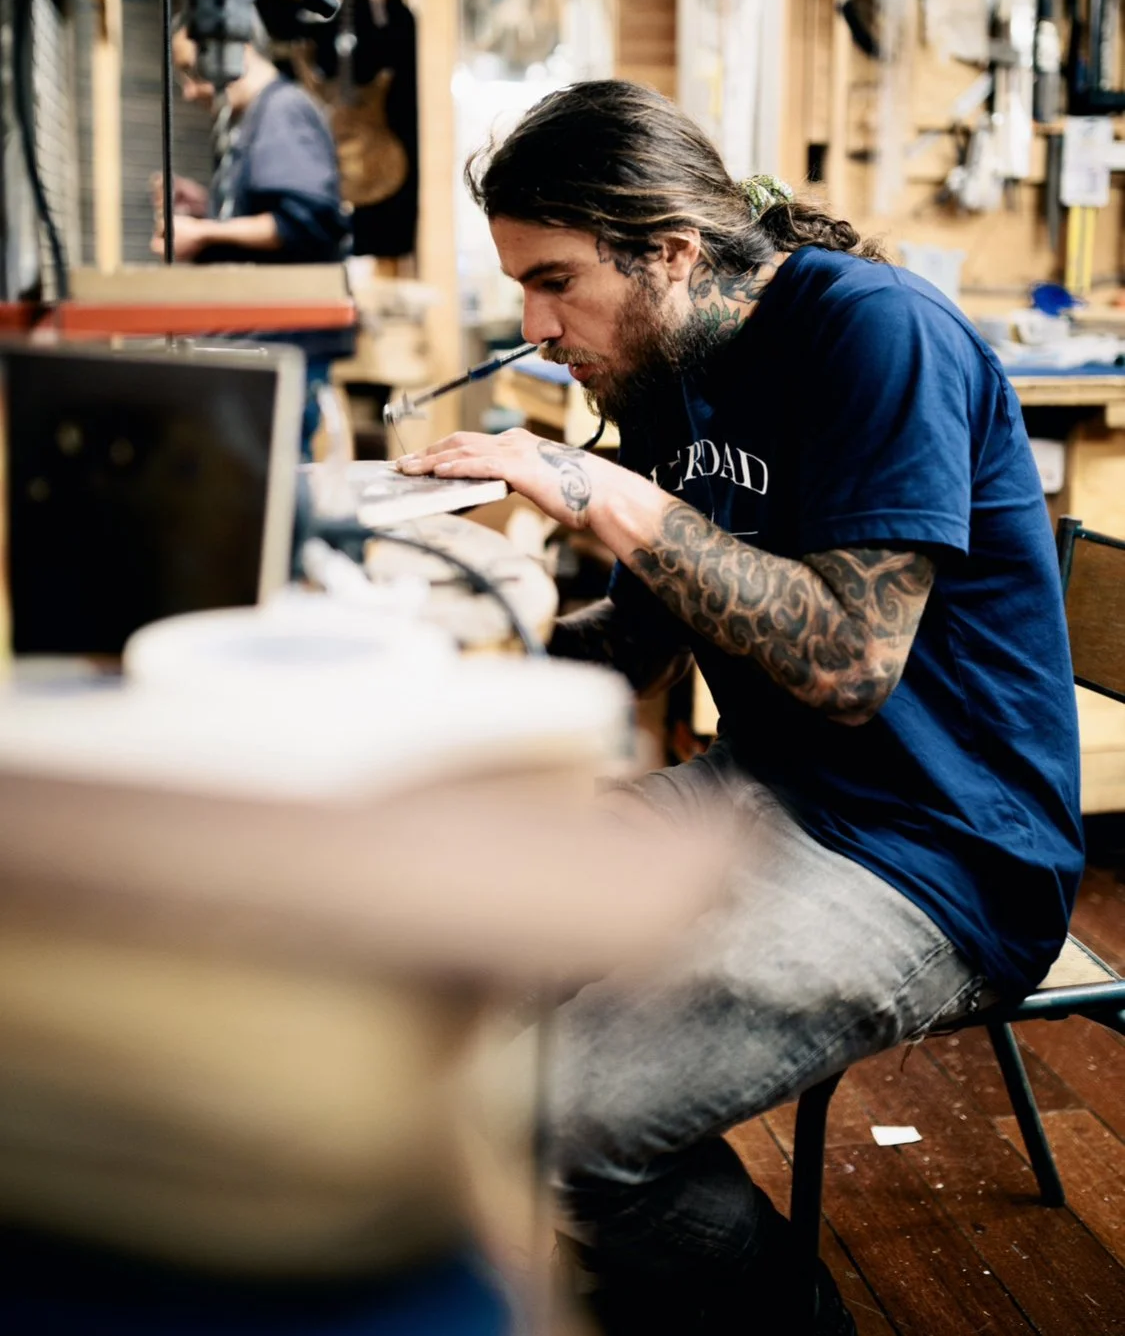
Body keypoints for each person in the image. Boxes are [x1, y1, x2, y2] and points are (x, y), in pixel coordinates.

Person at [396, 80, 1084, 1335]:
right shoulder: (671, 367)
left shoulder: (875, 334)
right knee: (429, 957)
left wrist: (600, 492)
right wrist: (445, 649)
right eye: (524, 289)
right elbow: (640, 644)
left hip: (939, 852)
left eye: (556, 282)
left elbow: (847, 666)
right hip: (763, 792)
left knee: (554, 1129)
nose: (538, 330)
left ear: (668, 250)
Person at [152, 10, 353, 454]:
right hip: (267, 346)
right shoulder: (253, 118)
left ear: (235, 50)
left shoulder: (282, 111)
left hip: (284, 346)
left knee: (276, 481)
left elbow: (306, 223)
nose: (189, 91)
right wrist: (205, 208)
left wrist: (205, 234)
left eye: (192, 71)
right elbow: (272, 213)